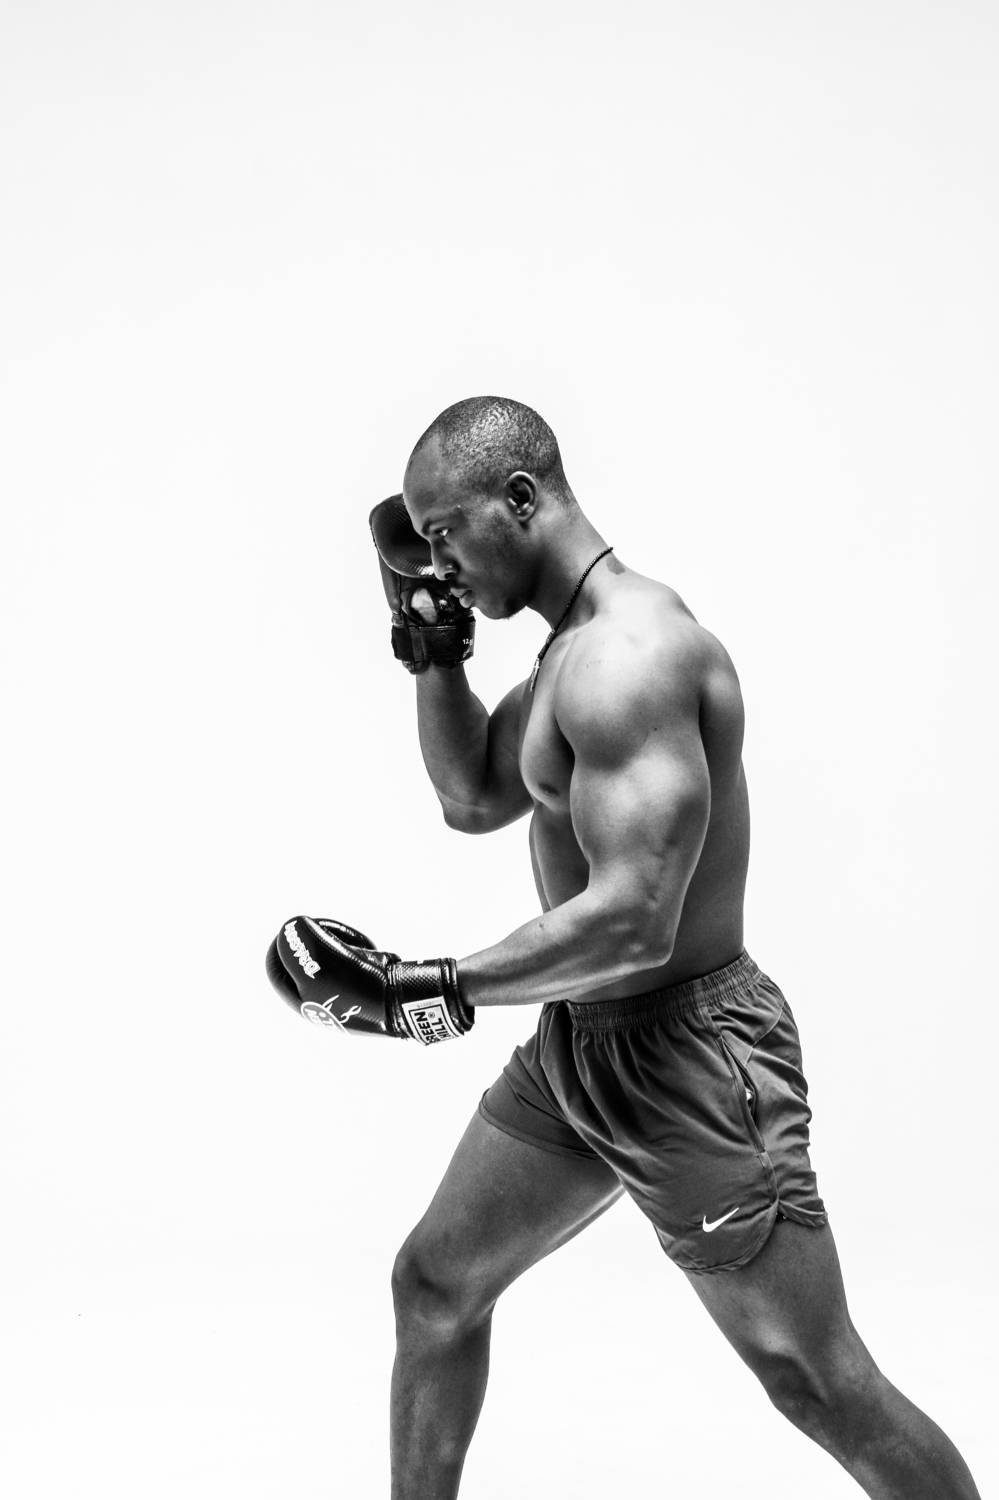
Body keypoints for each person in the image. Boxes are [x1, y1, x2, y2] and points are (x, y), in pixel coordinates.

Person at [266, 396, 981, 1499]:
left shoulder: (630, 658)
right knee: (435, 1285)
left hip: (690, 1059)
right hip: (582, 1044)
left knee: (815, 1380)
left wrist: (429, 988)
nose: (438, 563)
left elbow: (636, 919)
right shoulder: (567, 655)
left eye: (446, 534)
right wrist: (431, 647)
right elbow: (472, 795)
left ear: (520, 499)